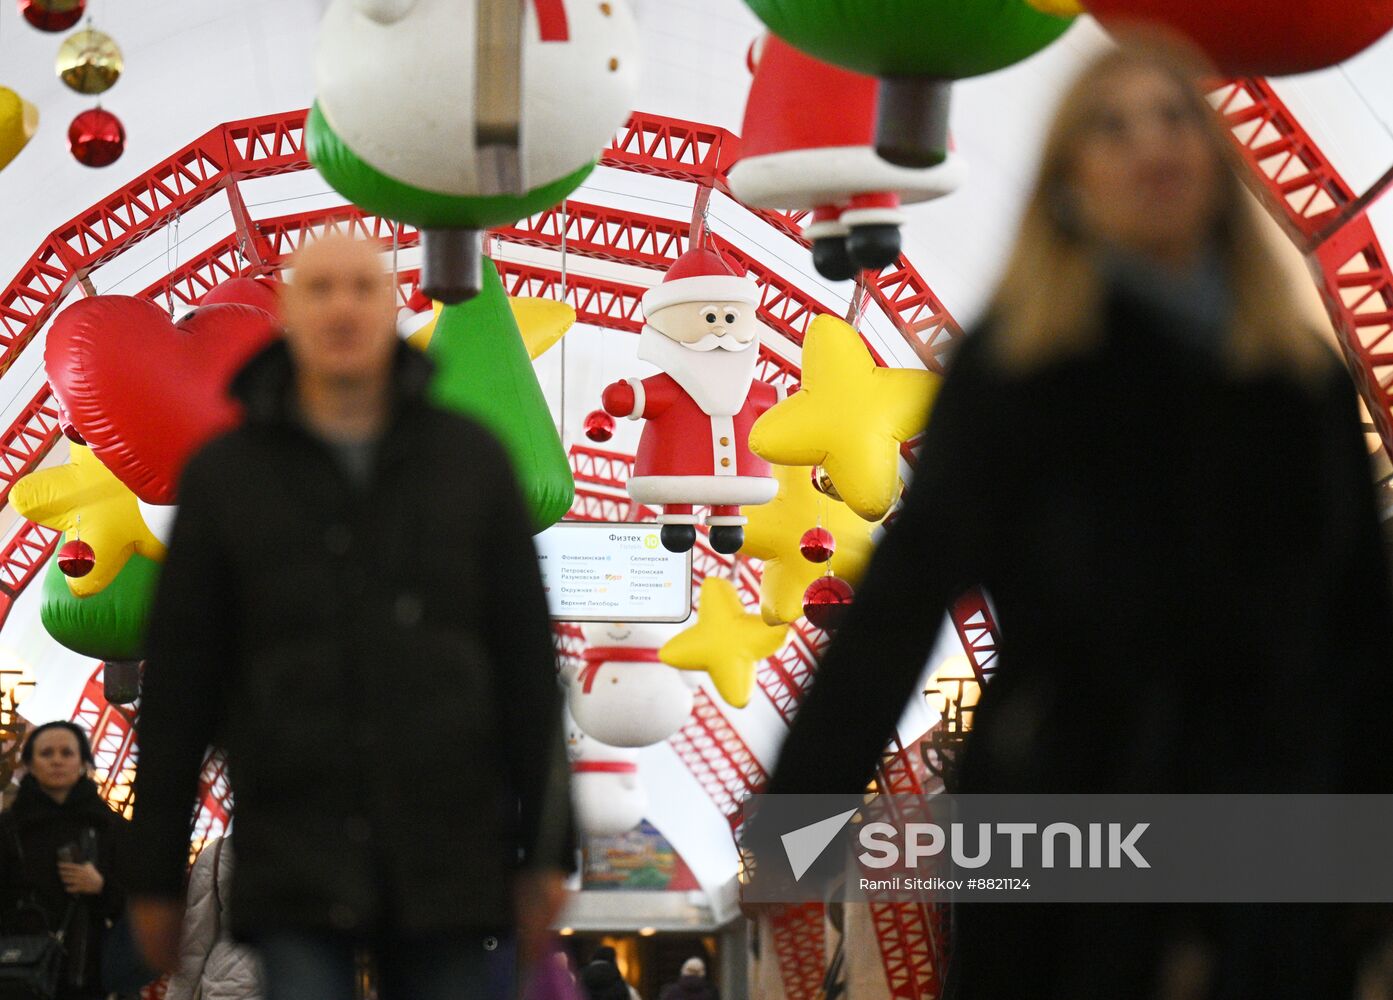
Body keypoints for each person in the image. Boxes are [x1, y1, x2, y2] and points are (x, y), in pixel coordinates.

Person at [761, 37, 1393, 1000]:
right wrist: (797, 819)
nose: (1152, 146)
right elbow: (903, 597)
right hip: (1073, 811)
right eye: (1112, 125)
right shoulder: (1019, 375)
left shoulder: (1296, 390)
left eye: (1176, 118)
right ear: (1070, 183)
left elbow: (1363, 626)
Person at [126, 235, 575, 1000]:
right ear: (289, 310)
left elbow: (528, 665)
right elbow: (181, 684)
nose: (342, 304)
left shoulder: (469, 461)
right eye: (321, 286)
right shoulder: (227, 476)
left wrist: (547, 852)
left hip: (447, 844)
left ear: (393, 307)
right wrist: (154, 873)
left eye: (363, 287)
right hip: (292, 840)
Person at [0, 721, 128, 999]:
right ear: (30, 764)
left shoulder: (110, 828)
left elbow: (140, 905)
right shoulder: (9, 829)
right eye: (46, 753)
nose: (57, 760)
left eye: (66, 753)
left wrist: (101, 887)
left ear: (83, 763)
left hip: (91, 975)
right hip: (18, 973)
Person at [164, 835, 263, 1000]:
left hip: (229, 985)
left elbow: (194, 942)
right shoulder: (311, 849)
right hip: (293, 978)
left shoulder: (218, 853)